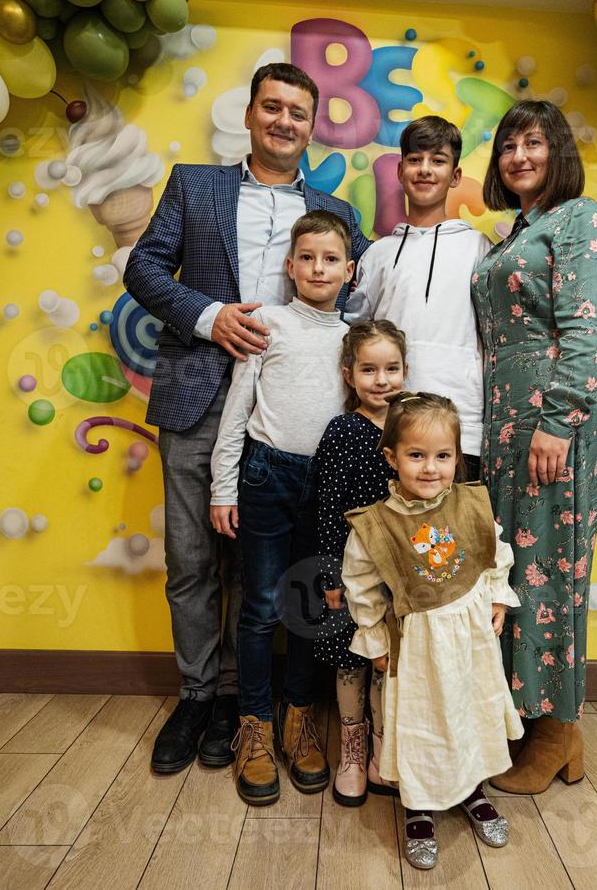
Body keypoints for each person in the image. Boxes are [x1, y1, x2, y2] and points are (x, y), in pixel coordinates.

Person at [124, 62, 371, 776]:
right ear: (252, 114)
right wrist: (208, 317)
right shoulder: (194, 186)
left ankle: (253, 705)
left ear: (312, 123)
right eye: (273, 107)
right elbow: (143, 269)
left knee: (272, 570)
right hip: (200, 394)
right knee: (193, 559)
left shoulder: (335, 212)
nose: (285, 121)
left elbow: (344, 319)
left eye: (299, 111)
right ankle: (202, 697)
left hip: (290, 421)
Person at [471, 100, 597, 794]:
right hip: (507, 434)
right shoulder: (512, 235)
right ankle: (532, 725)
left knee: (551, 576)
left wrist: (558, 422)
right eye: (507, 146)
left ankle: (557, 733)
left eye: (533, 143)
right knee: (516, 574)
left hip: (551, 431)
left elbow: (588, 331)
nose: (519, 156)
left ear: (558, 151)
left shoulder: (580, 220)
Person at [209, 210, 355, 805]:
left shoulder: (353, 335)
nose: (318, 268)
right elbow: (237, 410)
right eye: (307, 258)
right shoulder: (266, 323)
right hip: (267, 476)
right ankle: (254, 728)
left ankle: (298, 718)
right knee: (261, 607)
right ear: (290, 266)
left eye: (331, 259)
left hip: (327, 486)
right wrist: (224, 485)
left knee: (306, 607)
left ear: (349, 270)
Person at [342, 393, 523, 870]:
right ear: (392, 457)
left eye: (442, 456)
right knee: (422, 722)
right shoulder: (377, 524)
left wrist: (500, 595)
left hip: (470, 640)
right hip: (418, 646)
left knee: (471, 713)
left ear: (456, 458)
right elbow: (360, 585)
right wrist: (375, 640)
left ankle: (474, 790)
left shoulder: (470, 504)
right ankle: (419, 806)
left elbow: (495, 553)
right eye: (416, 455)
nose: (430, 468)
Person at [343, 116, 494, 479]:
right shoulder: (377, 255)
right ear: (400, 170)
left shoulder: (481, 250)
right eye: (415, 159)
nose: (425, 169)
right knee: (383, 535)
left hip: (460, 433)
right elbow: (356, 334)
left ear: (455, 176)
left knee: (449, 537)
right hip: (388, 430)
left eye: (438, 160)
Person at [305, 320, 408, 806]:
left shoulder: (412, 426)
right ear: (350, 375)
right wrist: (331, 576)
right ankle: (351, 748)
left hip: (401, 574)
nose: (381, 380)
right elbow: (326, 505)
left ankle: (383, 753)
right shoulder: (343, 430)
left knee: (390, 662)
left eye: (391, 368)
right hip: (351, 574)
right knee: (352, 660)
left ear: (406, 371)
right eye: (369, 369)